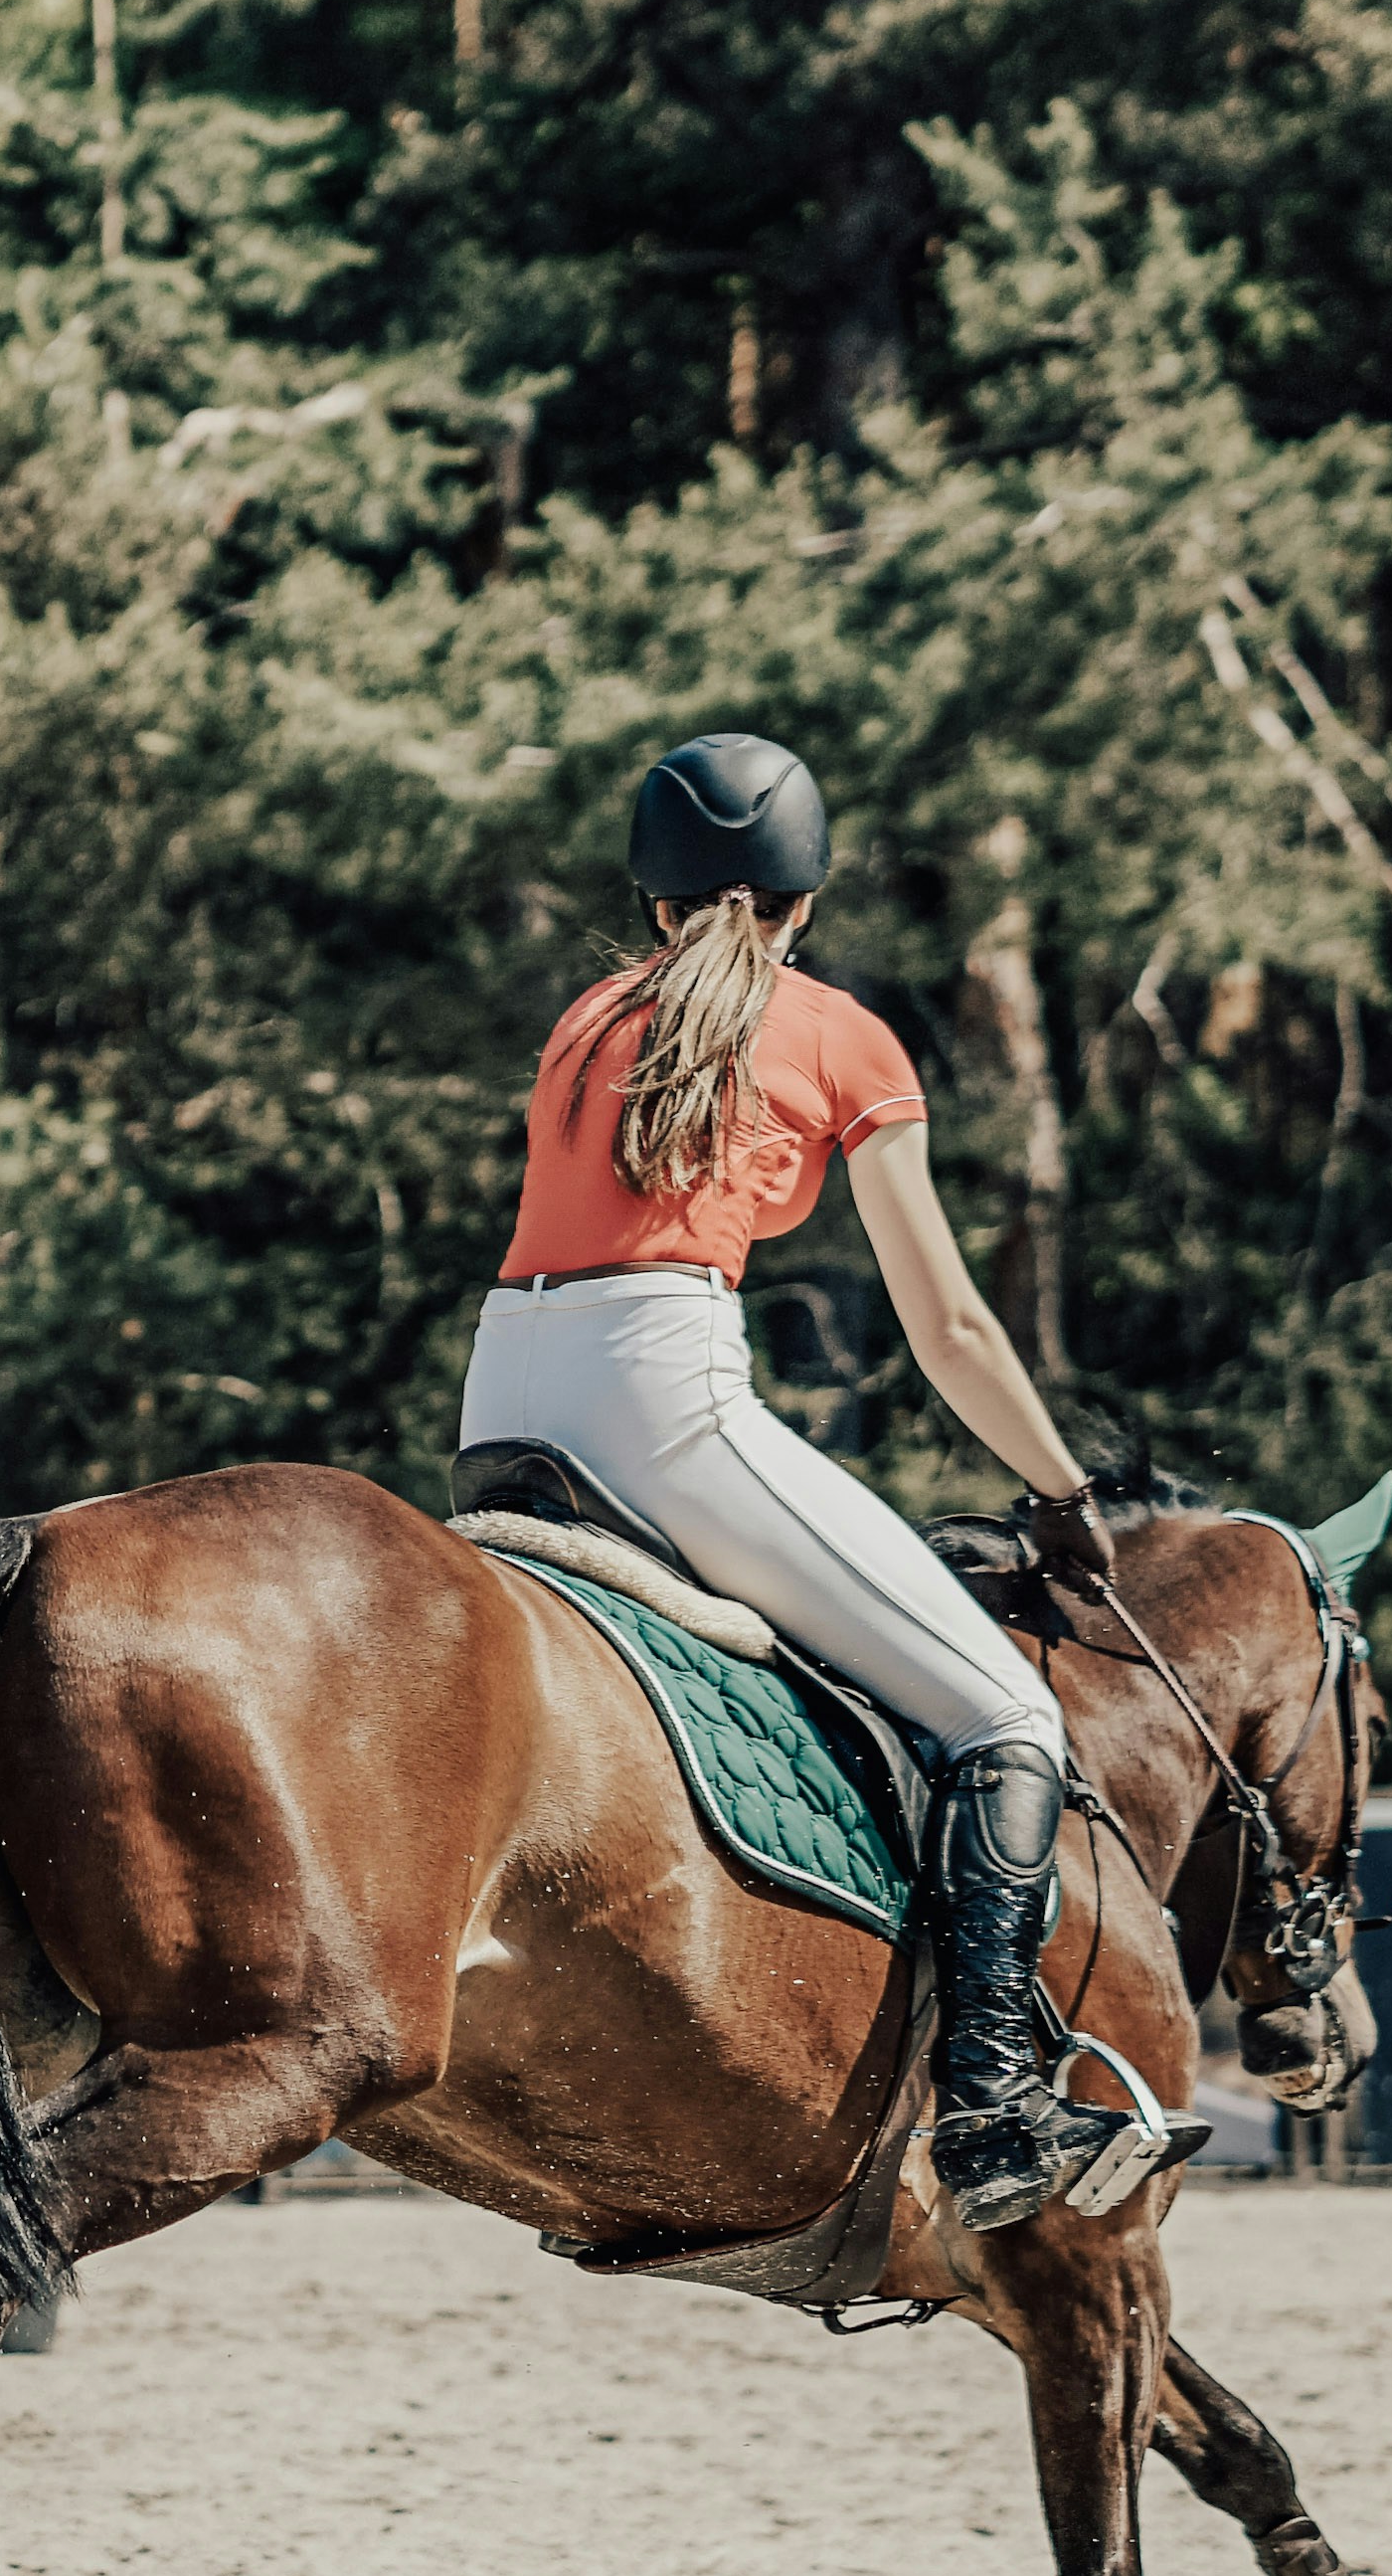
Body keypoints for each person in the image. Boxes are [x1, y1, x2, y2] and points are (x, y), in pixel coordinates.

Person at [462, 732, 1138, 2231]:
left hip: (503, 1383)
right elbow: (950, 1326)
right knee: (1003, 1714)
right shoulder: (836, 1033)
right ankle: (986, 2104)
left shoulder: (585, 1017)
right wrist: (1057, 1487)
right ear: (806, 899)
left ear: (650, 903)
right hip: (659, 1391)